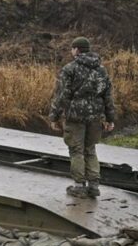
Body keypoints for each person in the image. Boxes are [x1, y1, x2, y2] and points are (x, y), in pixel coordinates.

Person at [48, 36, 116, 198]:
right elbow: (108, 96)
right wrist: (110, 118)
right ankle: (94, 186)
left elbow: (62, 95)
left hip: (75, 117)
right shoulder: (101, 70)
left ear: (77, 50)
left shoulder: (70, 69)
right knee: (90, 149)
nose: (71, 51)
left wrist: (54, 116)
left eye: (72, 48)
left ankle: (79, 186)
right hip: (95, 117)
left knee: (76, 150)